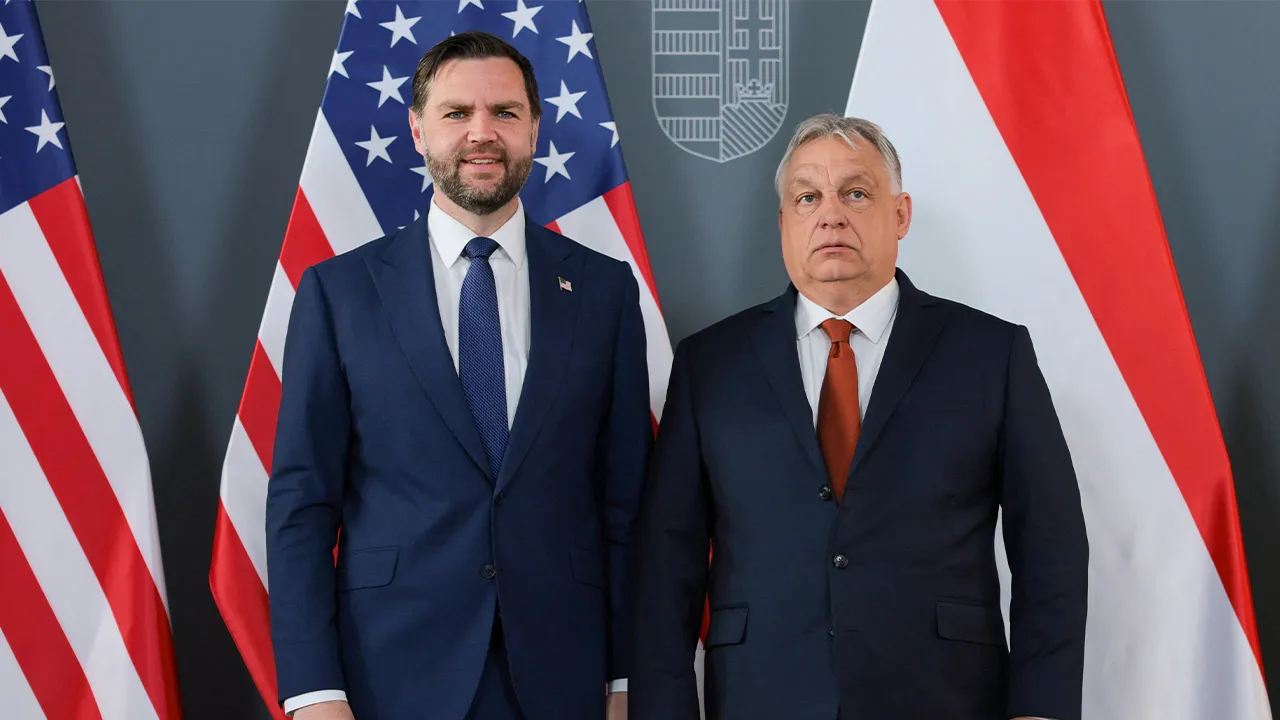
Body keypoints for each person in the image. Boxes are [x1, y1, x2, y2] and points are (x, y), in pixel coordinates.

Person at [627, 114, 1089, 720]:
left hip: (945, 695)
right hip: (761, 695)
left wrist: (1042, 708)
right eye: (807, 197)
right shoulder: (709, 364)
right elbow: (668, 560)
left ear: (899, 214)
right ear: (784, 222)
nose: (831, 214)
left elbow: (1049, 544)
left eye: (856, 193)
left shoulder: (991, 354)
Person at [265, 31, 649, 720]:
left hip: (564, 676)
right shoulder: (338, 293)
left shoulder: (605, 292)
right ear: (417, 130)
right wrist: (314, 692)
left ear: (535, 126)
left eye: (504, 113)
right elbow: (302, 506)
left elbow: (625, 508)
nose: (482, 134)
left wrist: (626, 681)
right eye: (455, 114)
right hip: (389, 675)